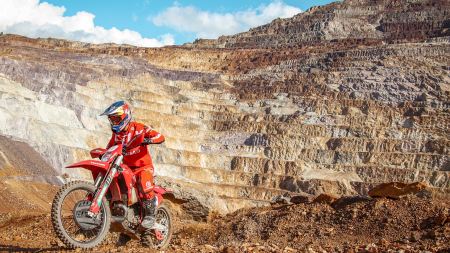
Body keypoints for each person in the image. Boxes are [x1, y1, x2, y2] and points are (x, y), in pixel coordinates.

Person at [100, 100, 165, 244]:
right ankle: (122, 217)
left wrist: (148, 140)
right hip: (126, 168)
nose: (114, 121)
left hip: (143, 167)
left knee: (143, 180)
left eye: (117, 118)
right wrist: (104, 154)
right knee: (117, 183)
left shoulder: (139, 128)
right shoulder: (117, 136)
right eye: (112, 119)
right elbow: (109, 148)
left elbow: (160, 136)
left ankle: (149, 216)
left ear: (125, 116)